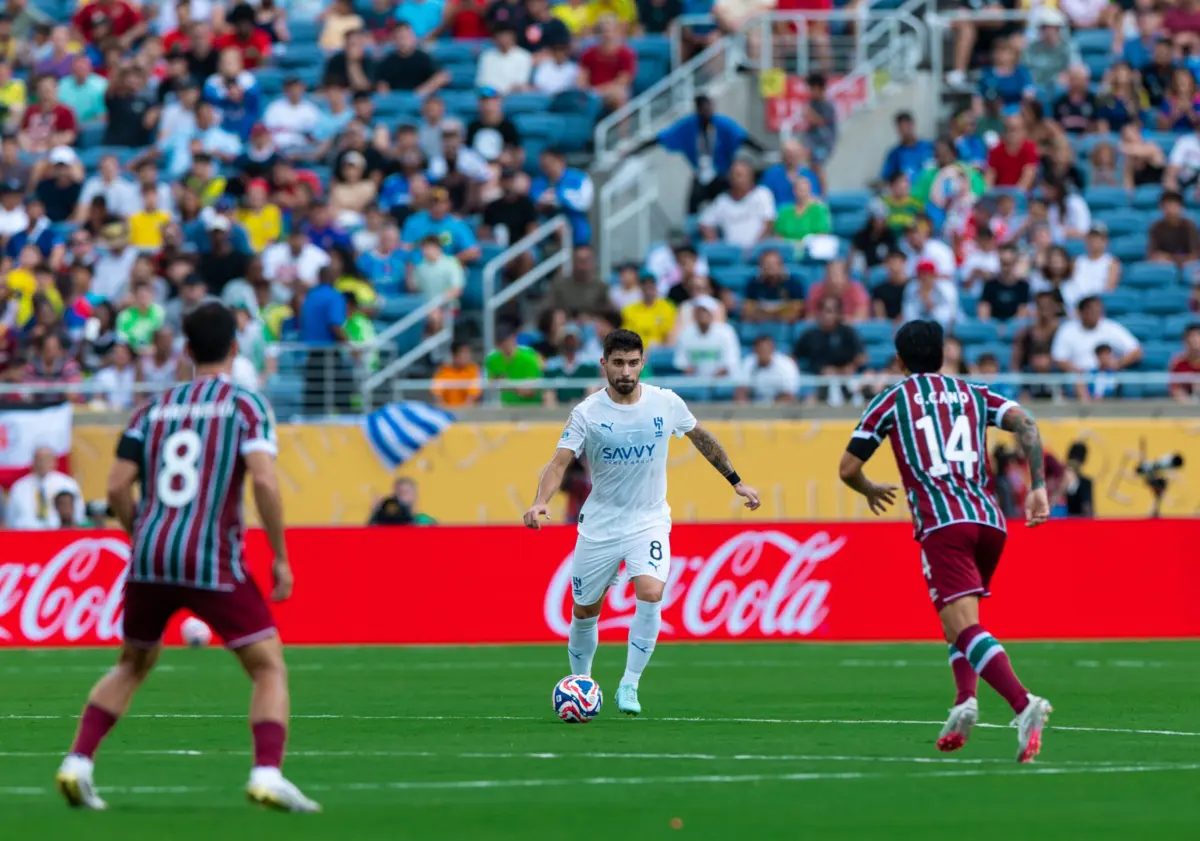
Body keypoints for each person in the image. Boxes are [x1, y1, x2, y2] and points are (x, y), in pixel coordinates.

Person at [54, 302, 317, 813]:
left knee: (131, 663)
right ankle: (267, 773)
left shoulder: (152, 409)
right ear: (235, 348)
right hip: (209, 558)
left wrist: (143, 533)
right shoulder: (246, 406)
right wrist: (280, 556)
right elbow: (262, 479)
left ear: (188, 350)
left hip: (150, 555)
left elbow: (116, 486)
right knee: (268, 667)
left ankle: (77, 762)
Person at [837, 319, 1053, 763]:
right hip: (990, 522)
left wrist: (869, 489)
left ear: (899, 360)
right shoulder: (975, 393)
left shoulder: (891, 400)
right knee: (958, 619)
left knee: (963, 624)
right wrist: (1038, 486)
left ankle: (1023, 704)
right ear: (944, 355)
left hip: (942, 522)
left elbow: (847, 468)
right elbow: (1027, 424)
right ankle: (964, 701)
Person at [523, 328, 760, 716]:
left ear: (643, 363)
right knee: (584, 611)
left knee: (650, 592)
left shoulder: (665, 403)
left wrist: (736, 481)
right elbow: (560, 461)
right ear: (604, 364)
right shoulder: (587, 412)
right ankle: (583, 683)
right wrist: (540, 502)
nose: (626, 372)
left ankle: (630, 685)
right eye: (618, 363)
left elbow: (701, 438)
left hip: (648, 520)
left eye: (633, 363)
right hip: (599, 524)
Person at [4, 445, 85, 529]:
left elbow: (78, 514)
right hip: (26, 535)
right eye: (38, 459)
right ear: (33, 462)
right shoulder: (19, 487)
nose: (42, 463)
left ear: (54, 462)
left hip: (58, 535)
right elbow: (10, 519)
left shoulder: (68, 484)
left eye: (46, 459)